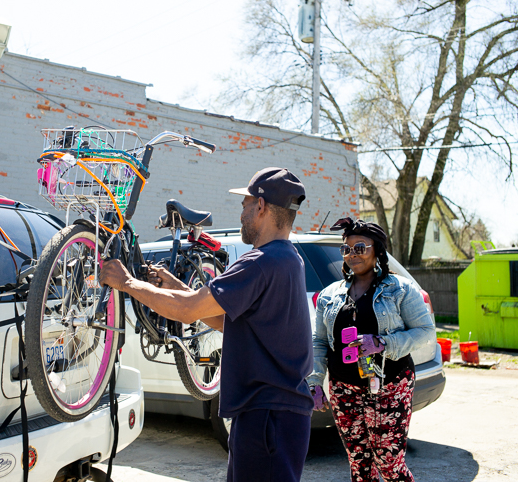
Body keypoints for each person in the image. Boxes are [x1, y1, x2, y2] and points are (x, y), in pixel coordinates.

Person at [100, 167, 314, 482]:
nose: (241, 212)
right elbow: (229, 321)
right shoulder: (288, 259)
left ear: (261, 206)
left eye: (244, 204)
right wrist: (177, 287)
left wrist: (128, 282)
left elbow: (186, 312)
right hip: (277, 415)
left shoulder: (259, 262)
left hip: (266, 416)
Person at [307, 217, 435, 482]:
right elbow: (319, 341)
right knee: (360, 465)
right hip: (344, 389)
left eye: (360, 248)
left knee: (390, 465)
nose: (352, 254)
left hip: (390, 386)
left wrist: (382, 343)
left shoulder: (400, 289)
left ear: (377, 250)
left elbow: (425, 331)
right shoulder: (330, 294)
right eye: (346, 249)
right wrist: (316, 382)